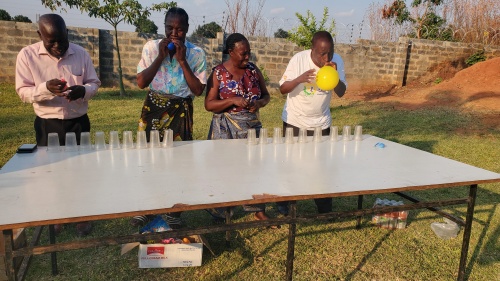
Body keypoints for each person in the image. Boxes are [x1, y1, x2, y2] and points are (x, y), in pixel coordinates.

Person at [15, 14, 101, 236]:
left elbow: (93, 82)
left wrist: (84, 91)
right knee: (50, 173)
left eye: (61, 41)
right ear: (40, 35)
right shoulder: (27, 55)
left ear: (67, 34)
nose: (57, 46)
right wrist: (44, 88)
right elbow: (23, 92)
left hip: (78, 123)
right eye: (51, 41)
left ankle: (81, 216)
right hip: (47, 123)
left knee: (80, 171)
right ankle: (55, 216)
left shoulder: (80, 53)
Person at [132, 7, 207, 228]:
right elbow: (141, 82)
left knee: (179, 162)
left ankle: (174, 211)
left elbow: (198, 90)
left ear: (187, 30)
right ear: (164, 27)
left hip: (180, 109)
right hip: (154, 106)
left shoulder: (196, 53)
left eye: (180, 29)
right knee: (148, 159)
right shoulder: (151, 48)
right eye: (170, 28)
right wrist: (160, 57)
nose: (174, 33)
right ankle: (147, 208)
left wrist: (183, 61)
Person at [205, 33, 288, 224]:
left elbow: (266, 96)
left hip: (251, 127)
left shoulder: (253, 70)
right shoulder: (218, 73)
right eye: (243, 53)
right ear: (230, 52)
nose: (247, 57)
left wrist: (258, 103)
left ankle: (257, 210)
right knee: (224, 170)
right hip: (225, 128)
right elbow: (209, 104)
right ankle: (222, 211)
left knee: (254, 168)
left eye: (248, 53)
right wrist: (232, 100)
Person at [279, 31, 348, 214]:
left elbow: (341, 92)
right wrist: (300, 79)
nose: (326, 58)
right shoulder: (298, 59)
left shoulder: (336, 62)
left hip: (321, 123)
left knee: (322, 169)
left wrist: (335, 77)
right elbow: (282, 88)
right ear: (312, 49)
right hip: (295, 120)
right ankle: (287, 206)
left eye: (330, 52)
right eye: (322, 54)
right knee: (291, 166)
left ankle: (324, 209)